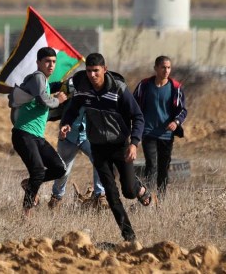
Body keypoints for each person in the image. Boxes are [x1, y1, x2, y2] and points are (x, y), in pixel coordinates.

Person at [60, 53, 154, 243]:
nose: (92, 75)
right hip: (98, 147)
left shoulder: (118, 89)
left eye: (96, 71)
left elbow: (138, 117)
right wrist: (67, 123)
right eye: (88, 71)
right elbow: (72, 108)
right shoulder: (83, 89)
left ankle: (140, 189)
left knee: (128, 191)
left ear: (105, 69)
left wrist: (134, 143)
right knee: (111, 194)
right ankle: (129, 236)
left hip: (120, 145)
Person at [11, 47, 68, 216]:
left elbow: (42, 98)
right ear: (38, 63)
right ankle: (26, 214)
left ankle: (30, 184)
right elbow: (44, 101)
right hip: (23, 134)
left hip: (37, 136)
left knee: (59, 168)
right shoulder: (38, 77)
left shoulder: (44, 82)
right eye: (47, 61)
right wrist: (58, 100)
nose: (51, 65)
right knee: (37, 170)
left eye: (53, 62)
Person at [133, 55, 187, 197]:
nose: (166, 70)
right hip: (148, 132)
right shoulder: (144, 86)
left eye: (169, 67)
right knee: (151, 165)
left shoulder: (176, 88)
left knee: (163, 167)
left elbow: (182, 110)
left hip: (166, 134)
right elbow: (133, 105)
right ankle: (148, 196)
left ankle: (161, 197)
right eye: (163, 67)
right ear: (156, 68)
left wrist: (176, 122)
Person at [48, 93, 106, 209]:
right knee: (64, 169)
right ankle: (56, 198)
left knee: (101, 160)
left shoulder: (98, 93)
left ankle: (100, 196)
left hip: (87, 137)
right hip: (68, 137)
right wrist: (57, 98)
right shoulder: (71, 88)